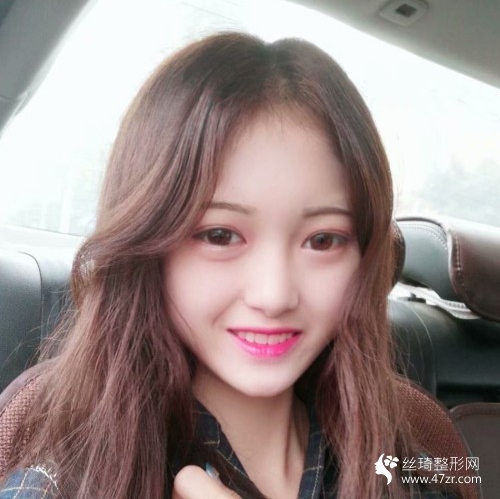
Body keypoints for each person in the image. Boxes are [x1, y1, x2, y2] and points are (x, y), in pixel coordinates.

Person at [0, 32, 463, 498]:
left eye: (323, 240)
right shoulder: (61, 485)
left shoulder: (420, 469)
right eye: (219, 235)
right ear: (148, 245)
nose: (274, 295)